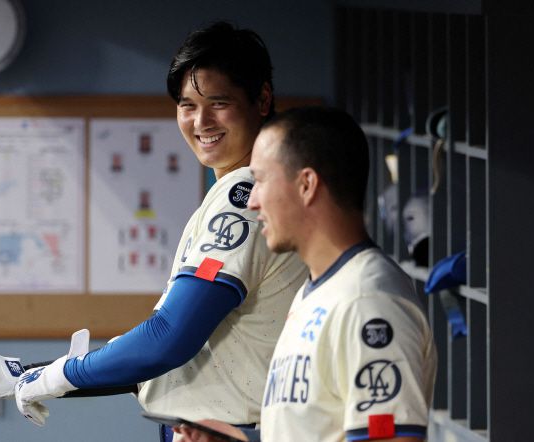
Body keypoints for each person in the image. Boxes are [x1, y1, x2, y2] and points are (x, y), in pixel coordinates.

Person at [0, 22, 308, 441]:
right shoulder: (241, 189)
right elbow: (163, 364)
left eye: (218, 103)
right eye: (187, 105)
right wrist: (22, 376)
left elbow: (168, 340)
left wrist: (46, 379)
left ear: (261, 99)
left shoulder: (241, 198)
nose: (200, 121)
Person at [176, 106, 437, 442]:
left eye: (260, 180)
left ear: (307, 185)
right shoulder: (315, 290)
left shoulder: (367, 301)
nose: (252, 200)